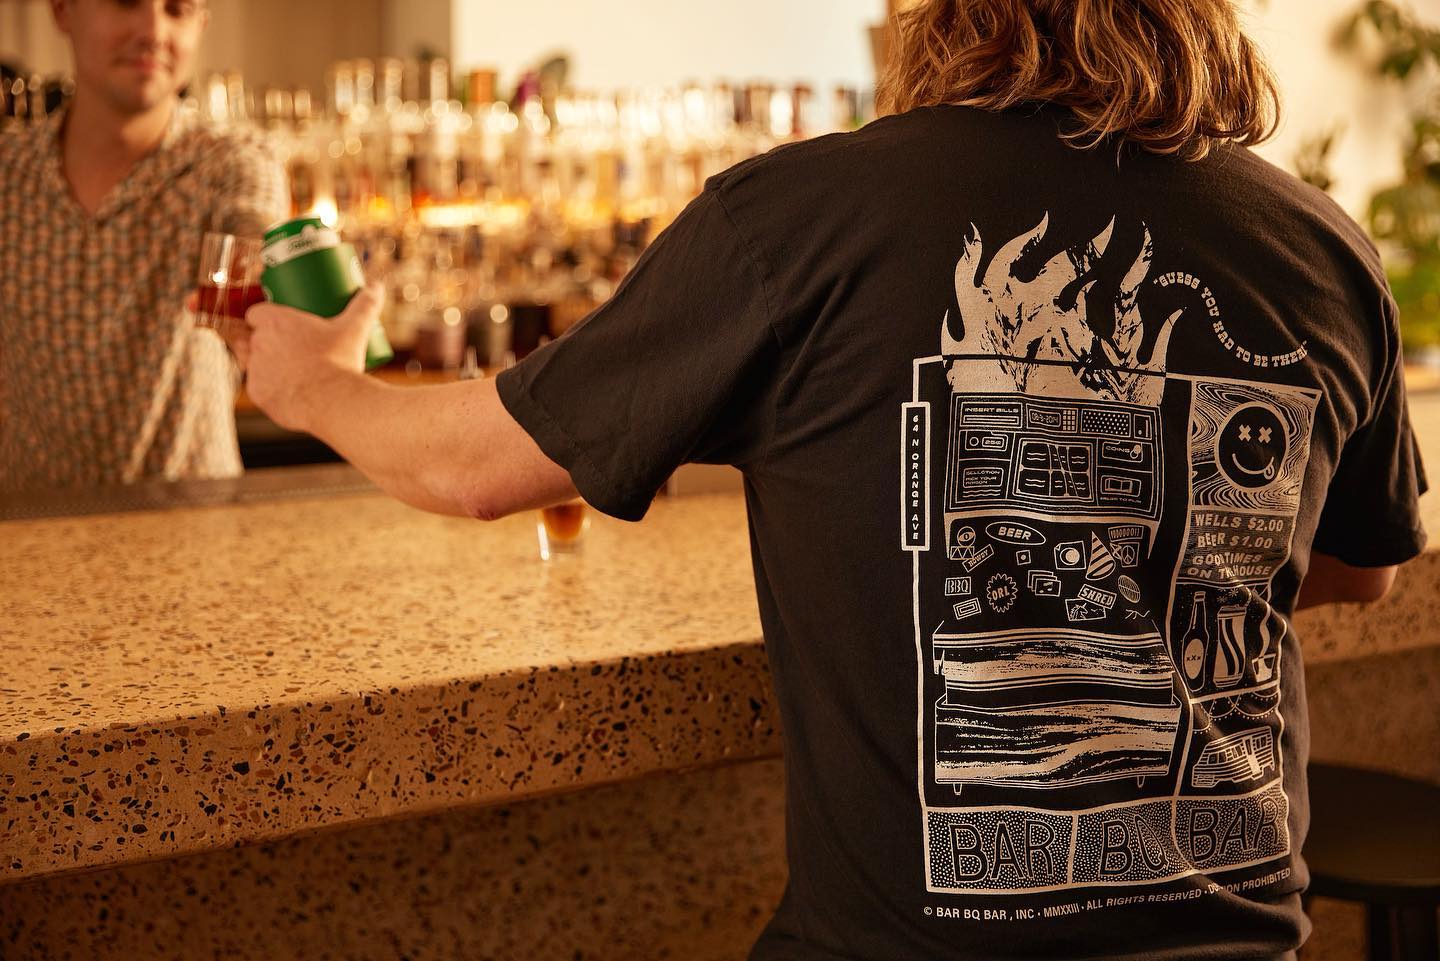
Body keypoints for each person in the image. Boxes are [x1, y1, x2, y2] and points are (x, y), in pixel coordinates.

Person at [227, 1, 1426, 958]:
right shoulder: (1321, 246)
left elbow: (474, 466)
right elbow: (1361, 571)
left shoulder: (792, 218)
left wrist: (311, 384)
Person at [0, 0, 286, 493]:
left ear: (201, 25)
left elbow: (255, 235)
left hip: (192, 519)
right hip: (29, 522)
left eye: (177, 9)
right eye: (126, 2)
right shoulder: (10, 173)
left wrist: (268, 281)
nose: (153, 30)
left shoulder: (229, 164)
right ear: (63, 11)